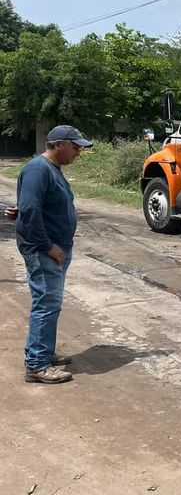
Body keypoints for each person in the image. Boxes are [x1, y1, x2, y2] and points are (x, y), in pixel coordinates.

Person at [11, 125, 93, 384]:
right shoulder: (38, 169)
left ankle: (42, 351)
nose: (79, 150)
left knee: (48, 304)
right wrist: (49, 247)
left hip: (53, 247)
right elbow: (32, 211)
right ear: (59, 144)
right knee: (46, 305)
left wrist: (22, 211)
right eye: (75, 145)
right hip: (45, 250)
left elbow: (33, 207)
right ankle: (36, 364)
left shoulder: (50, 170)